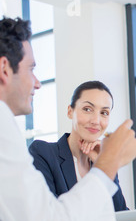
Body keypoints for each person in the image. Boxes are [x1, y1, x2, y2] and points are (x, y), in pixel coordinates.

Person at [0, 17, 136, 221]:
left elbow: (119, 217)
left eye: (104, 112)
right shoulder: (32, 146)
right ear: (4, 69)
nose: (37, 83)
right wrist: (110, 162)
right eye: (31, 69)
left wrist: (104, 165)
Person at [29, 81, 127, 212]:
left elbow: (120, 214)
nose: (96, 121)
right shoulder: (43, 152)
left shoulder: (101, 160)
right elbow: (51, 216)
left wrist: (104, 164)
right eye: (87, 109)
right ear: (70, 112)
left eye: (104, 113)